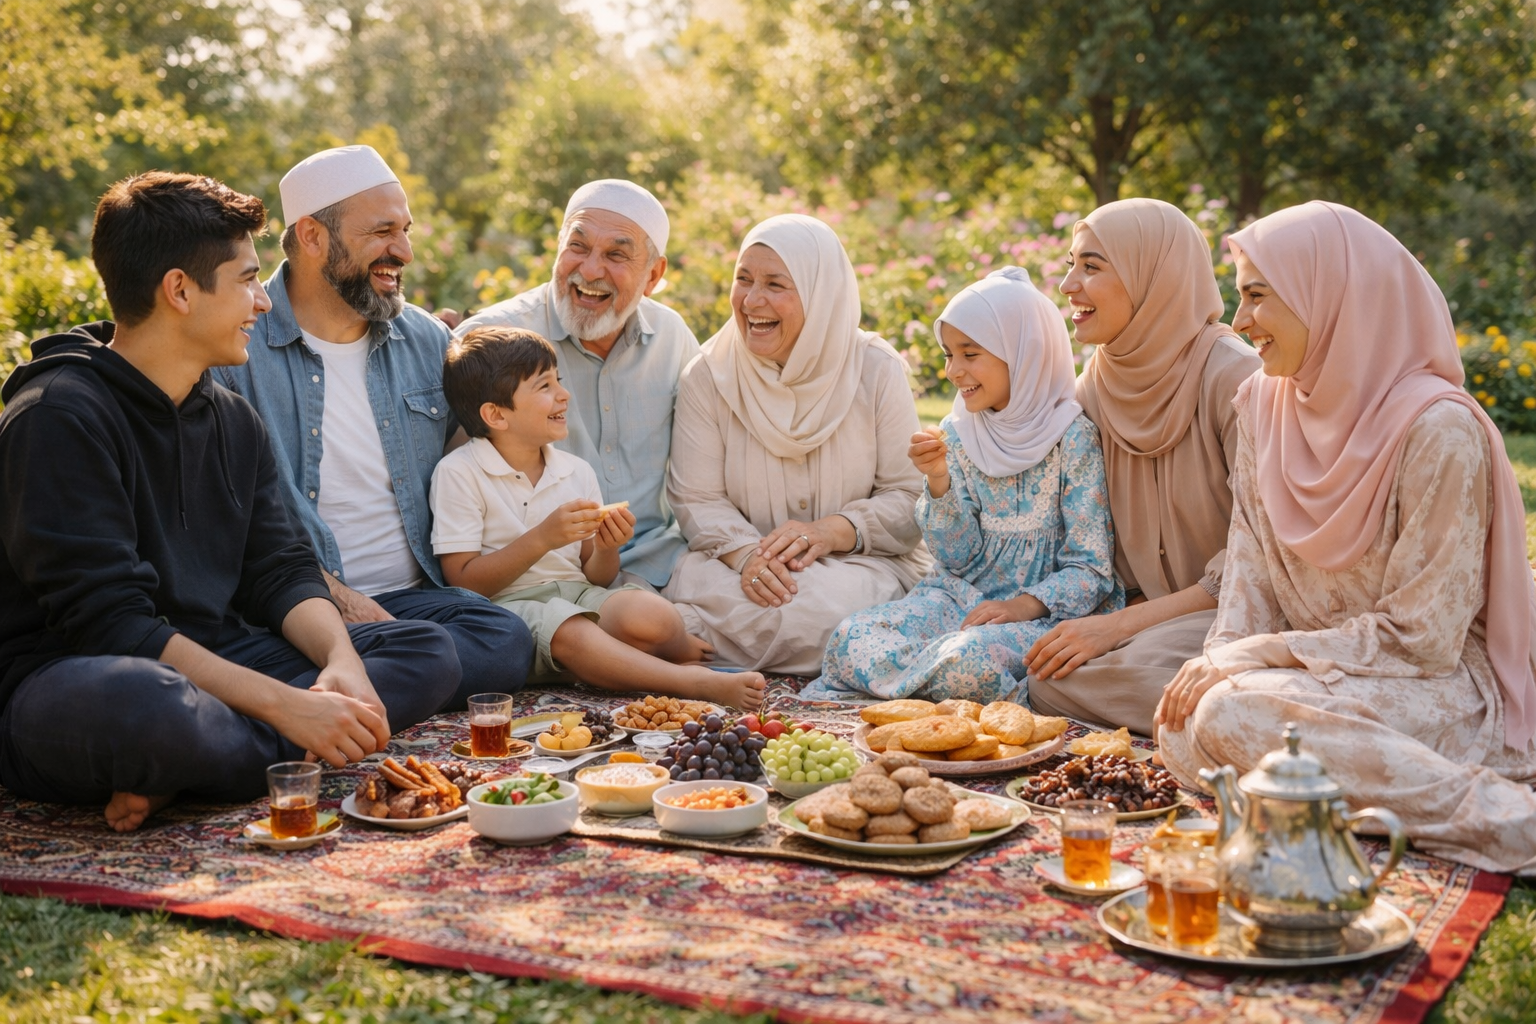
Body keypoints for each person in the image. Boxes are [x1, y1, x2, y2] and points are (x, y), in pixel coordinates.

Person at [0, 173, 459, 832]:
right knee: (148, 709)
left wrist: (342, 663)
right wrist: (288, 708)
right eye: (247, 281)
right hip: (80, 680)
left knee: (426, 650)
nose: (263, 302)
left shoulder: (232, 417)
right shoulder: (58, 418)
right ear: (180, 290)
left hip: (223, 658)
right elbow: (113, 628)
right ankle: (205, 751)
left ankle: (189, 768)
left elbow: (280, 568)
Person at [1156, 201, 1536, 873]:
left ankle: (1506, 820)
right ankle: (1332, 792)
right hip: (1312, 681)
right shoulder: (1262, 407)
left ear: (1326, 296)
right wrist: (1222, 660)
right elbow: (1247, 578)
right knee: (1185, 724)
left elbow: (1425, 639)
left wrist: (1256, 661)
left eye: (1256, 298)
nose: (1240, 322)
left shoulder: (1438, 431)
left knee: (1229, 719)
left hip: (1437, 684)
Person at [217, 146, 533, 708]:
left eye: (406, 230)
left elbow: (477, 464)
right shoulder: (236, 348)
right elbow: (233, 529)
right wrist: (334, 600)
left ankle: (322, 697)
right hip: (293, 608)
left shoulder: (427, 341)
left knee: (505, 641)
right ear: (312, 236)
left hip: (411, 604)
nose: (404, 251)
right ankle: (348, 685)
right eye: (383, 231)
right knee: (434, 654)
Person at [806, 268, 1121, 703]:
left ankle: (912, 689)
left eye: (969, 354)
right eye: (948, 354)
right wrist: (939, 481)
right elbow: (957, 557)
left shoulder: (1073, 438)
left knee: (968, 662)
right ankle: (934, 692)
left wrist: (1020, 607)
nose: (953, 371)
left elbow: (1091, 570)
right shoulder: (959, 433)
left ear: (1023, 351)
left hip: (1042, 616)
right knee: (852, 636)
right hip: (958, 600)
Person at [429, 327, 768, 710]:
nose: (563, 393)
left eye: (558, 379)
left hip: (579, 594)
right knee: (571, 633)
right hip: (511, 608)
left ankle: (643, 657)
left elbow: (597, 577)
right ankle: (687, 681)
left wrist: (608, 547)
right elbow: (463, 582)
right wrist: (541, 539)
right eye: (544, 386)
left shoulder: (575, 471)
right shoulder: (459, 472)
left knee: (654, 616)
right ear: (495, 414)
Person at [1024, 198, 1261, 735]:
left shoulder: (1236, 380)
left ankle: (1252, 709)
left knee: (1080, 673)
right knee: (1050, 676)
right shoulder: (1096, 387)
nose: (1067, 285)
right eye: (1070, 264)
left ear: (1153, 275)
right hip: (1153, 620)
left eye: (1092, 266)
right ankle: (1232, 710)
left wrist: (1119, 626)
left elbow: (1260, 557)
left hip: (1241, 608)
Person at [663, 214, 931, 675]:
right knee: (748, 601)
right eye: (743, 279)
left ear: (820, 293)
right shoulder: (708, 374)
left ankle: (698, 646)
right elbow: (698, 498)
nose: (751, 300)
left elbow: (909, 498)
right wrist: (752, 558)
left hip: (859, 563)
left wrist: (830, 531)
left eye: (775, 284)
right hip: (737, 565)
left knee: (828, 607)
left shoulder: (875, 368)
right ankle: (844, 651)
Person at [453, 179, 697, 590]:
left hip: (666, 564)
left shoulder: (671, 336)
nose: (589, 270)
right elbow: (456, 483)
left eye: (616, 254)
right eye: (577, 247)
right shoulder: (492, 338)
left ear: (653, 274)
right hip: (546, 581)